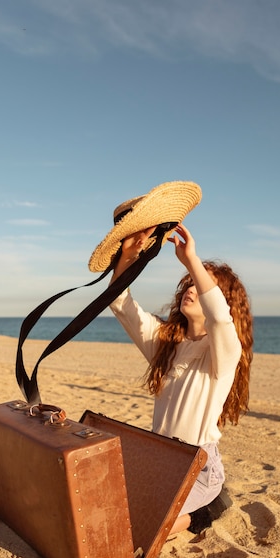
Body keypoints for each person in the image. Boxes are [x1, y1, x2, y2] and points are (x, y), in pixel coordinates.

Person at [109, 222, 253, 535]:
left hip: (198, 469)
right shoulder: (166, 343)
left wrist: (192, 260)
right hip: (159, 462)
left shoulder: (226, 353)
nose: (190, 288)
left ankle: (203, 513)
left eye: (199, 285)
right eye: (188, 282)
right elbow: (121, 303)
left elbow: (219, 318)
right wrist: (127, 259)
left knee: (141, 527)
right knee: (112, 509)